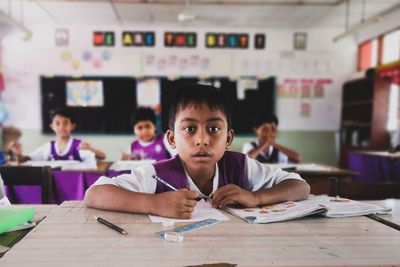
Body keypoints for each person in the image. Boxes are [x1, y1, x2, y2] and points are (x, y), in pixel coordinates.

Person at [84, 84, 310, 219]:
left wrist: (255, 197)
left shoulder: (241, 166)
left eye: (214, 129)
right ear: (172, 139)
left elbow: (300, 186)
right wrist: (153, 203)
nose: (202, 139)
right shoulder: (158, 173)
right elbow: (94, 193)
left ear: (228, 138)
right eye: (190, 129)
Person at [10, 108, 105, 163]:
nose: (62, 127)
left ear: (72, 126)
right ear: (52, 126)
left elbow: (102, 157)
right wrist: (18, 154)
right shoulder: (49, 147)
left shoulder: (78, 146)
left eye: (66, 123)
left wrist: (90, 149)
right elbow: (26, 159)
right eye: (58, 123)